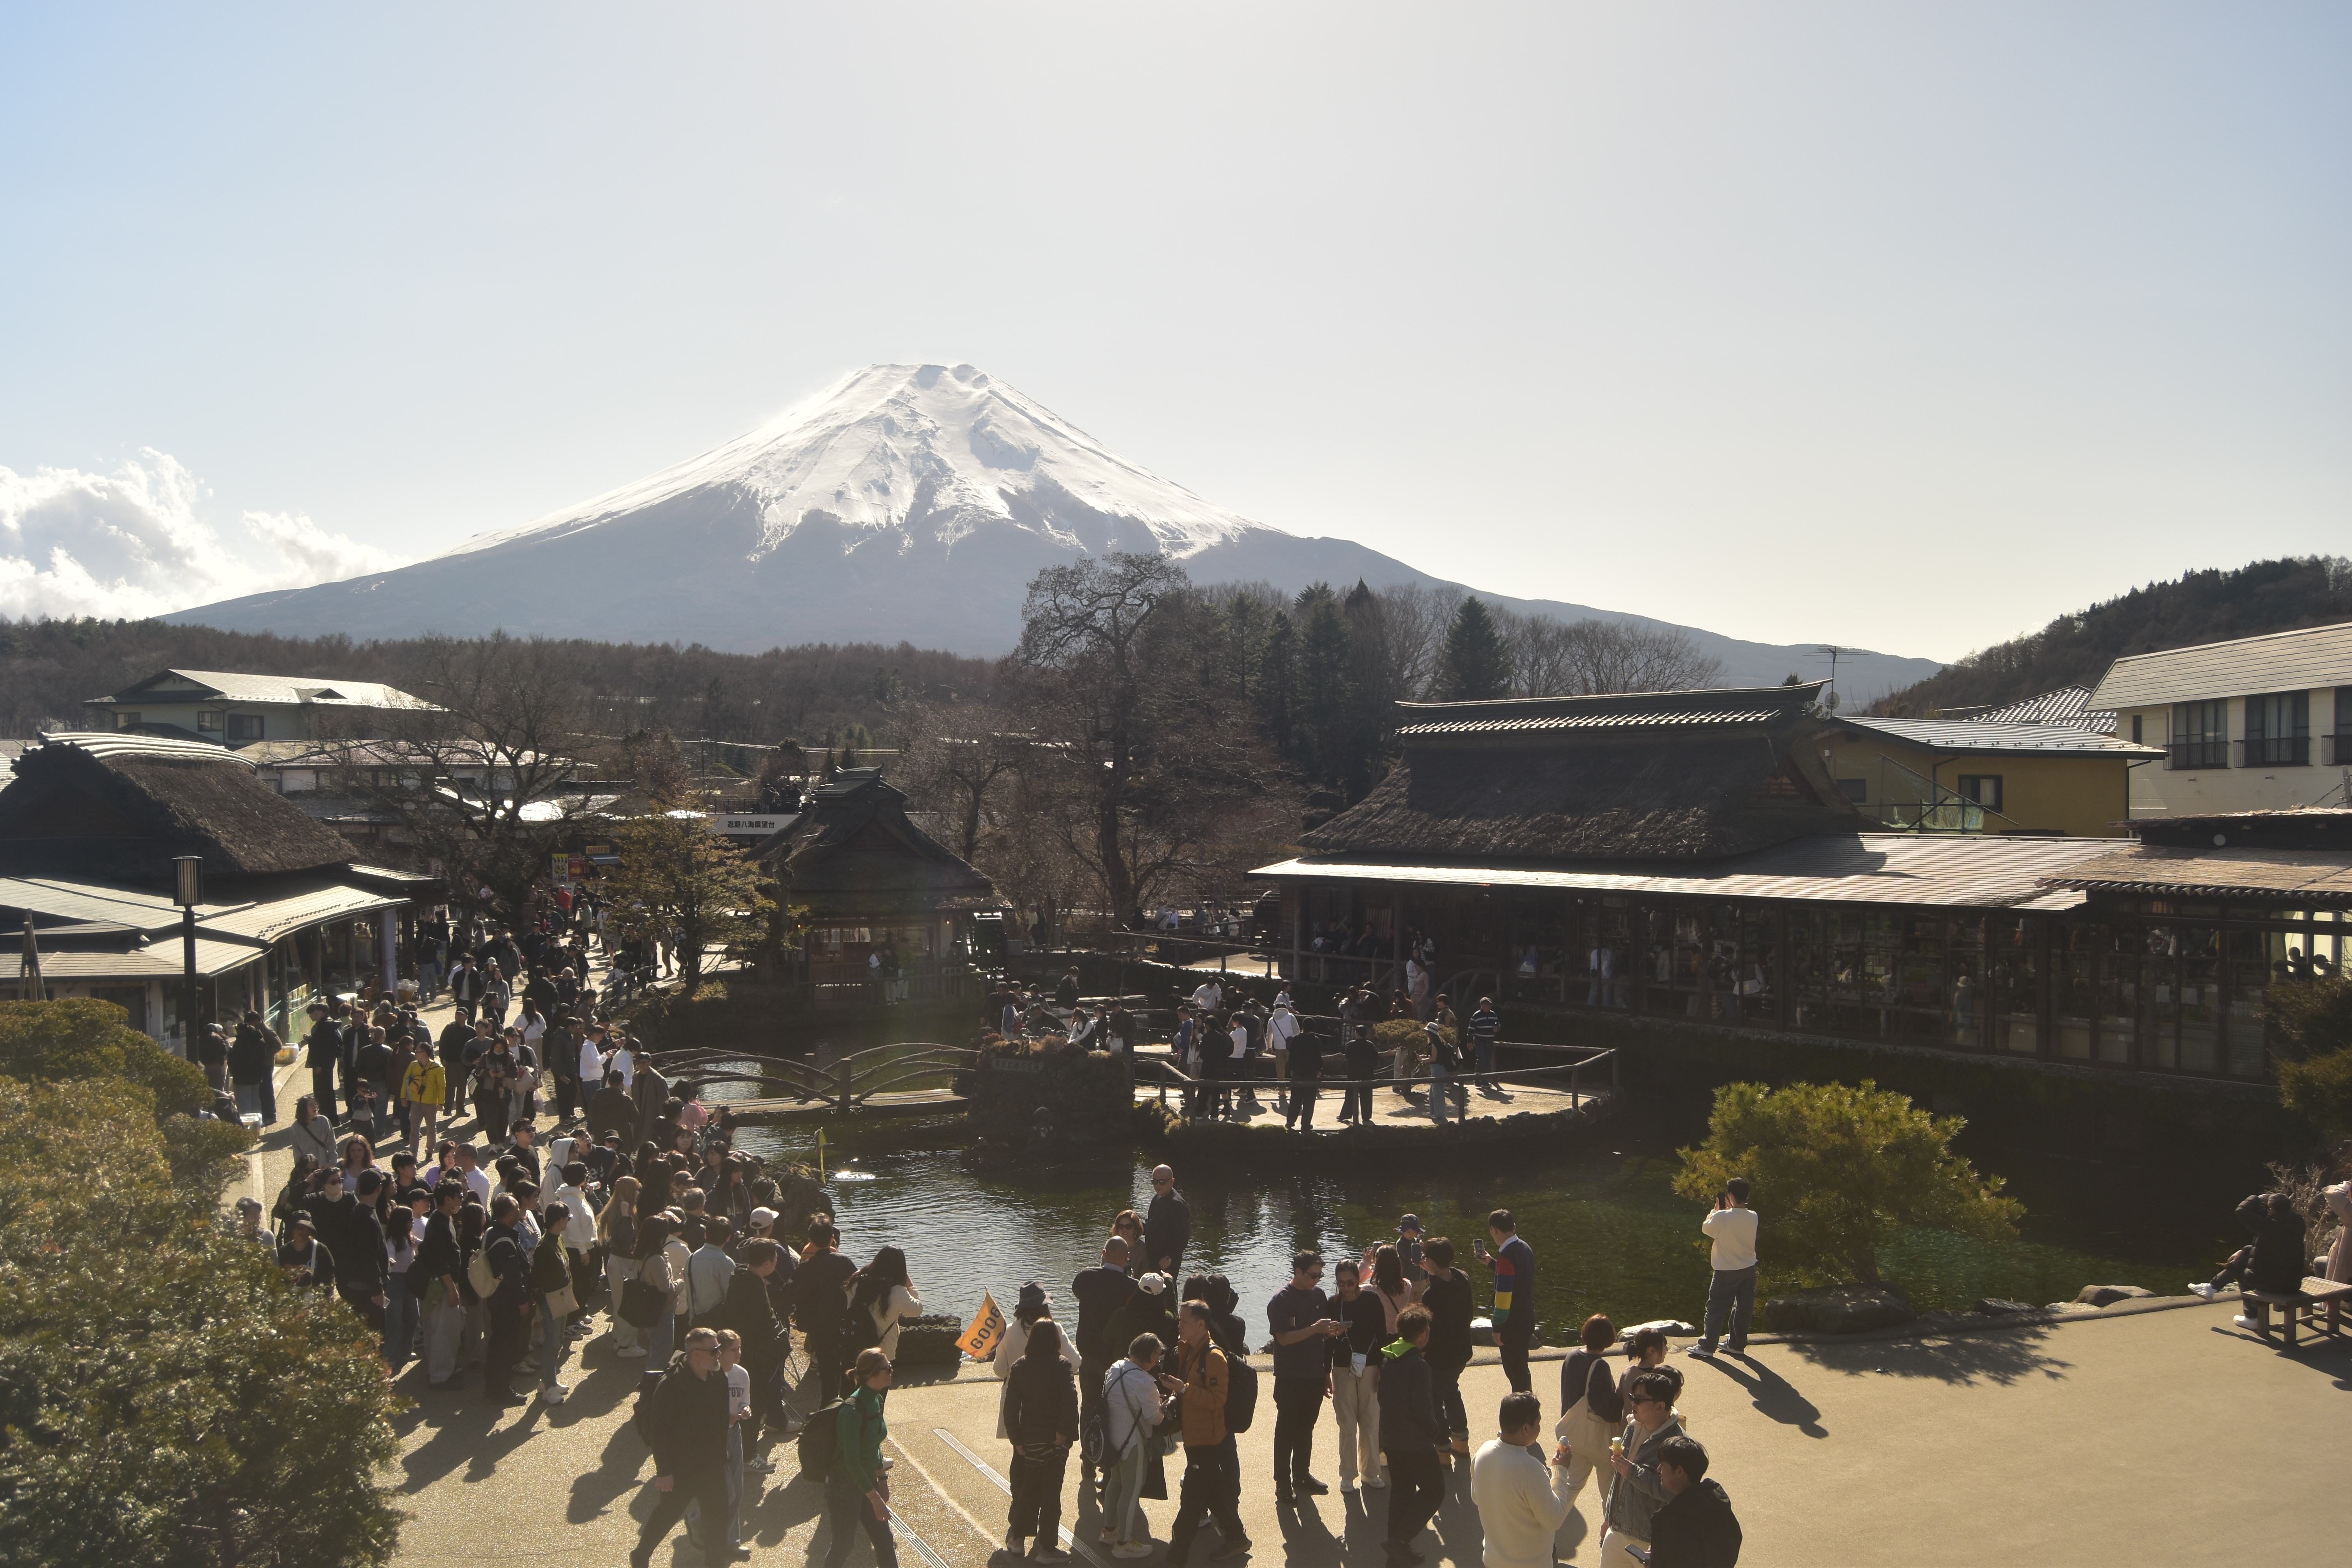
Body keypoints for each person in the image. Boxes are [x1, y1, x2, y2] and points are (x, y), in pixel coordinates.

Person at [631, 1327, 735, 1568]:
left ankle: (715, 1564)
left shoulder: (719, 1376)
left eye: (719, 1348)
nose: (719, 1354)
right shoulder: (671, 1386)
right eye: (714, 1350)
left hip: (712, 1465)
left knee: (718, 1518)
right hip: (682, 1468)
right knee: (667, 1514)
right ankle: (642, 1553)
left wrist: (722, 1455)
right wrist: (664, 1471)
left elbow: (720, 1417)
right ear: (695, 1354)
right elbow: (660, 1433)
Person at [1164, 1300, 1248, 1566]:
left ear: (1200, 1325)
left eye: (1184, 1321)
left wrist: (1184, 1390)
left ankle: (1175, 1560)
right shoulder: (1190, 1351)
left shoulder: (1212, 1357)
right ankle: (1237, 1538)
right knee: (1215, 1492)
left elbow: (1217, 1401)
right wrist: (1176, 1396)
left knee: (1190, 1505)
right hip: (1196, 1438)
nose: (1179, 1324)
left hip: (1207, 1441)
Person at [1267, 1249, 1345, 1502]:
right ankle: (1282, 1483)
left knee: (1306, 1429)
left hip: (1313, 1374)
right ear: (1298, 1271)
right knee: (1286, 1430)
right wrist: (1315, 1329)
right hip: (1290, 1377)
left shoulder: (1319, 1295)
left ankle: (1301, 1475)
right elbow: (1284, 1339)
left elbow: (1319, 1337)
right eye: (1313, 1275)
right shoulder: (1281, 1300)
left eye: (1320, 1276)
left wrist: (1325, 1369)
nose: (1316, 1280)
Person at [1001, 1317, 1079, 1564]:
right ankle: (1047, 1547)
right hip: (1055, 1441)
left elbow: (1011, 1408)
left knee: (1028, 1491)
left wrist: (1017, 1440)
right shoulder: (1062, 1365)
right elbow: (1070, 1400)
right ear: (1056, 1340)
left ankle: (1016, 1539)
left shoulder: (1019, 1367)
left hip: (1030, 1439)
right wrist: (1064, 1433)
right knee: (1051, 1493)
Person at [1472, 1390, 1577, 1568]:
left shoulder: (1483, 1451)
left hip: (1492, 1561)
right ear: (1526, 1429)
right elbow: (1554, 1519)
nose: (1540, 1428)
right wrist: (1560, 1470)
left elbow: (1477, 1497)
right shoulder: (1530, 1468)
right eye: (1538, 1423)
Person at [1597, 1371, 1686, 1568]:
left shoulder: (1677, 1444)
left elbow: (1673, 1492)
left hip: (1648, 1541)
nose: (1632, 1404)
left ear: (1660, 1406)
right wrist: (1608, 1518)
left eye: (1639, 1399)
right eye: (1631, 1398)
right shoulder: (1633, 1427)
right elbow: (1618, 1480)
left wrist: (1633, 1472)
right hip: (1618, 1531)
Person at [1379, 1305, 1445, 1564]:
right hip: (1415, 1442)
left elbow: (1383, 1397)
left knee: (1402, 1491)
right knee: (1434, 1490)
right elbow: (1423, 1409)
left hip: (1392, 1438)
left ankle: (1396, 1549)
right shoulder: (1419, 1366)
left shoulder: (1390, 1358)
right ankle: (1399, 1541)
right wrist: (1434, 1430)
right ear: (1423, 1333)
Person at [1073, 1235, 1141, 1483]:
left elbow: (1078, 1291)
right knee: (1113, 1411)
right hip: (1115, 1361)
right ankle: (1108, 1468)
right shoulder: (1132, 1287)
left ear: (1102, 1253)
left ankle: (1088, 1460)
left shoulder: (1086, 1278)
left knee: (1089, 1407)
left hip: (1088, 1356)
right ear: (1127, 1259)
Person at [824, 1348, 900, 1568]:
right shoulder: (852, 1411)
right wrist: (875, 1499)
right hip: (844, 1486)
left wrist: (882, 1480)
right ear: (873, 1374)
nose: (892, 1371)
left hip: (867, 1483)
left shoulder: (876, 1400)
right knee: (843, 1546)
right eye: (888, 1368)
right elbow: (852, 1461)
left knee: (885, 1542)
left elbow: (874, 1445)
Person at [1101, 1333, 1168, 1559]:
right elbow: (1154, 1418)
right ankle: (1124, 1543)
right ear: (1150, 1357)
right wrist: (1165, 1404)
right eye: (1157, 1358)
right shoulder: (1144, 1381)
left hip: (1112, 1440)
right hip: (1134, 1443)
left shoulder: (1115, 1368)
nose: (1158, 1363)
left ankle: (1109, 1531)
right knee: (1132, 1491)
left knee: (1115, 1484)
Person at [1557, 1314, 1626, 1526]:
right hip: (1596, 1440)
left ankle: (1548, 1528)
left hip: (1573, 1432)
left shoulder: (1572, 1356)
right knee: (1609, 1490)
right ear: (1609, 1340)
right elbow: (1602, 1404)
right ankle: (1611, 1534)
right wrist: (1621, 1405)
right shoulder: (1600, 1365)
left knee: (1569, 1487)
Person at [1328, 1256, 1388, 1492]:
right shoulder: (1333, 1304)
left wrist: (1381, 1368)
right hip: (1343, 1366)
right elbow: (1328, 1344)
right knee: (1346, 1422)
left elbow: (1382, 1336)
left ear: (1358, 1280)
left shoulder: (1372, 1299)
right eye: (1341, 1283)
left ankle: (1370, 1472)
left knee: (1370, 1420)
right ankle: (1348, 1474)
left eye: (1350, 1283)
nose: (1346, 1288)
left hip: (1371, 1365)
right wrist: (1326, 1371)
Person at [1644, 1436, 1742, 1567]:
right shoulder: (1718, 1505)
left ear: (1679, 1471)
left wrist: (1656, 1561)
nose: (1659, 1469)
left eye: (1663, 1465)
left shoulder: (1673, 1521)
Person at [1417, 1236, 1475, 1458]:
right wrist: (1432, 1269)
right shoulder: (1463, 1279)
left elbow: (1430, 1331)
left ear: (1430, 1261)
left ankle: (1442, 1449)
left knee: (1435, 1400)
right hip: (1461, 1351)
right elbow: (1447, 1276)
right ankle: (1461, 1442)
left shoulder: (1431, 1295)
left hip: (1439, 1357)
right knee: (1452, 1393)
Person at [1691, 1178, 1758, 1358]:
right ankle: (1737, 1344)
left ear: (1730, 1195)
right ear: (1748, 1196)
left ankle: (1707, 1346)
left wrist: (1715, 1210)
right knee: (1743, 1308)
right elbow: (1735, 1221)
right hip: (1749, 1268)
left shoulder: (1722, 1217)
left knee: (1716, 1308)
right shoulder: (1754, 1216)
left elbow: (1707, 1229)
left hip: (1727, 1270)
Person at [480, 1192, 535, 1406]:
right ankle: (502, 1390)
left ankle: (492, 1386)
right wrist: (523, 1301)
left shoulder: (492, 1232)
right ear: (510, 1214)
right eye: (517, 1210)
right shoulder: (505, 1241)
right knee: (506, 1347)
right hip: (507, 1303)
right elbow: (513, 1277)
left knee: (497, 1344)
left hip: (496, 1299)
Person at [1476, 1209, 1537, 1393]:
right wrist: (1492, 1263)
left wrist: (1497, 1328)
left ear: (1494, 1230)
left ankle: (1524, 1412)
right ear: (1514, 1227)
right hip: (1527, 1316)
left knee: (1514, 1372)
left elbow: (1503, 1300)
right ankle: (1529, 1406)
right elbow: (1518, 1276)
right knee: (1522, 1369)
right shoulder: (1525, 1248)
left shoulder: (1506, 1258)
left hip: (1512, 1323)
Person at [796, 1220, 857, 1390]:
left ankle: (828, 1401)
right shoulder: (843, 1261)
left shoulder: (806, 1266)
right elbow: (858, 1283)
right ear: (832, 1239)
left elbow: (793, 1291)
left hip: (816, 1322)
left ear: (810, 1239)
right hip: (839, 1319)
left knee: (825, 1364)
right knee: (840, 1361)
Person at [845, 1246, 922, 1378]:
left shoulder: (857, 1281)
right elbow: (917, 1310)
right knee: (878, 1393)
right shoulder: (898, 1291)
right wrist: (910, 1283)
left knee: (852, 1391)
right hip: (883, 1351)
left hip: (854, 1343)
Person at [531, 1201, 577, 1404]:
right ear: (560, 1220)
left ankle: (548, 1380)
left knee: (557, 1342)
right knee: (551, 1344)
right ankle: (549, 1388)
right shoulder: (544, 1247)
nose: (569, 1221)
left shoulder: (557, 1239)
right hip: (551, 1300)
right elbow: (537, 1279)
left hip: (562, 1296)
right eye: (568, 1218)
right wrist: (542, 1304)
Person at [1145, 1165, 1192, 1278]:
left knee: (1166, 1292)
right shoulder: (1157, 1197)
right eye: (1155, 1181)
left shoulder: (1177, 1204)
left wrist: (1169, 1258)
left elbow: (1183, 1238)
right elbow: (1151, 1225)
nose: (1158, 1185)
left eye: (1162, 1182)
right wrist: (1135, 1226)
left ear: (1172, 1181)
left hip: (1166, 1262)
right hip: (1153, 1258)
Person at [1285, 1018, 1323, 1131]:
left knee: (1295, 1098)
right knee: (1309, 1101)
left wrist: (1292, 1069)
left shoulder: (1296, 1039)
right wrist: (1319, 1070)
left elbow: (1291, 1057)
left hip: (1297, 1073)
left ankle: (1291, 1121)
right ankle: (1306, 1124)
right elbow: (1318, 1058)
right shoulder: (1316, 1040)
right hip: (1311, 1074)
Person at [1466, 996, 1501, 1093]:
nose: (1489, 1007)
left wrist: (1497, 1028)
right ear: (1482, 1006)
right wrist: (1470, 1042)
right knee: (1482, 1060)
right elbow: (1471, 1030)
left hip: (1490, 1041)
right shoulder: (1476, 1016)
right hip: (1479, 1041)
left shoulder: (1493, 1014)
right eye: (1487, 1005)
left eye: (1490, 1005)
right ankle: (1481, 1080)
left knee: (1487, 1060)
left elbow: (1498, 1024)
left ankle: (1482, 1080)